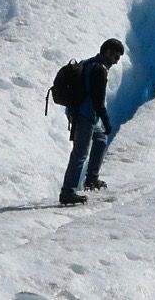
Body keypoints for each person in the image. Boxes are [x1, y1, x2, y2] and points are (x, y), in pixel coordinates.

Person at [59, 38, 124, 206]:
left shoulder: (89, 63)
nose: (116, 62)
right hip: (85, 116)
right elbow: (98, 100)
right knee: (80, 154)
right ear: (108, 52)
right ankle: (68, 192)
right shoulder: (99, 69)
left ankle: (91, 179)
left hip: (83, 114)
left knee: (101, 140)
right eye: (115, 57)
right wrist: (107, 121)